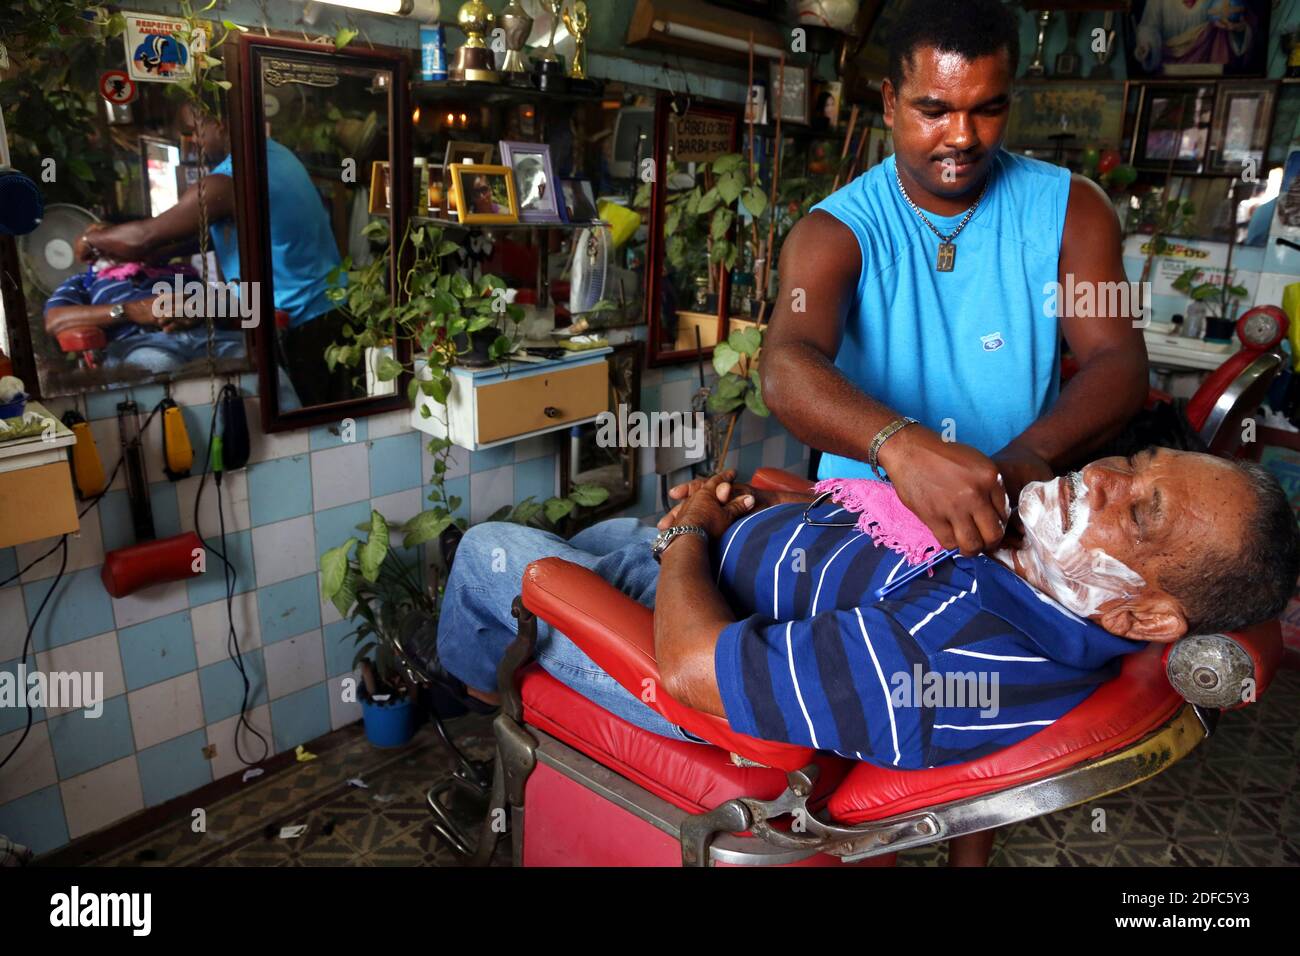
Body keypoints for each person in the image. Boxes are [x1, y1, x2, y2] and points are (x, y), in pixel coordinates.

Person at [435, 454, 1300, 768]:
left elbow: (697, 671)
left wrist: (690, 537)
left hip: (684, 658)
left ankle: (493, 724)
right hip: (711, 561)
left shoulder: (955, 661)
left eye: (1140, 512)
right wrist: (752, 521)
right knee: (612, 528)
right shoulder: (1038, 559)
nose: (1106, 477)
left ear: (1147, 620)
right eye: (1143, 459)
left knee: (490, 557)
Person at [760, 0, 1150, 561]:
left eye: (987, 109)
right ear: (891, 102)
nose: (963, 137)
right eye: (934, 110)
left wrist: (1029, 457)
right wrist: (897, 446)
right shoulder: (832, 233)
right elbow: (787, 363)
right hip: (862, 524)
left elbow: (1120, 361)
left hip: (1017, 517)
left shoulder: (1075, 210)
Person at [73, 101, 350, 406]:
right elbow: (252, 232)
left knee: (306, 424)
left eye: (196, 132)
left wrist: (92, 237)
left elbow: (143, 236)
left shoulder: (227, 181)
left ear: (220, 124)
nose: (195, 144)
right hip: (331, 310)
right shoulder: (276, 156)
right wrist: (168, 252)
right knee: (326, 421)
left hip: (296, 324)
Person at [43, 261, 245, 374]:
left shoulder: (182, 272)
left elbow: (234, 303)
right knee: (158, 368)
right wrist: (132, 310)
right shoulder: (88, 281)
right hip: (140, 344)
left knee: (254, 362)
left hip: (208, 337)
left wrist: (201, 308)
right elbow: (55, 320)